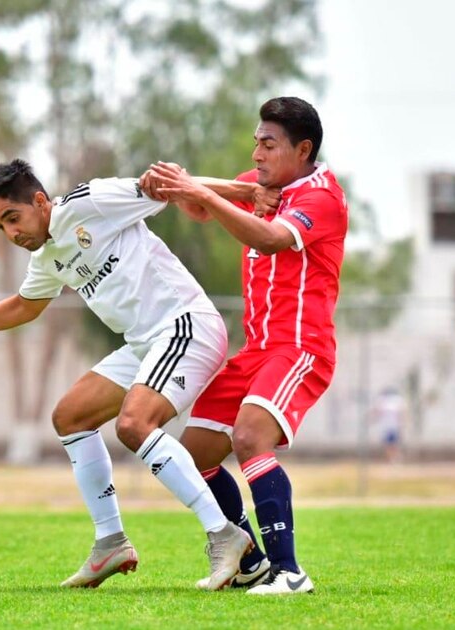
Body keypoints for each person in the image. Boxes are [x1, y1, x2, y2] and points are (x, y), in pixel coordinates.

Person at [0, 159, 254, 590]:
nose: (12, 234)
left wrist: (249, 194)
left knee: (134, 425)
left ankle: (225, 535)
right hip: (146, 342)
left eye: (12, 218)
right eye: (0, 227)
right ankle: (110, 542)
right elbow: (25, 306)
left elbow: (175, 185)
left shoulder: (90, 201)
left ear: (39, 201)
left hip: (186, 324)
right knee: (70, 416)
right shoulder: (47, 254)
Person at [144, 96, 348, 595]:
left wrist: (203, 192)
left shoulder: (321, 197)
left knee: (251, 437)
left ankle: (290, 572)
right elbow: (196, 206)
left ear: (303, 150)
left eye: (269, 144)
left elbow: (271, 238)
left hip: (300, 348)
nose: (257, 153)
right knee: (196, 451)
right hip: (257, 350)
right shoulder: (263, 185)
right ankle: (251, 561)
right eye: (256, 142)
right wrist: (178, 185)